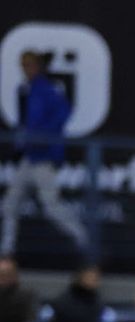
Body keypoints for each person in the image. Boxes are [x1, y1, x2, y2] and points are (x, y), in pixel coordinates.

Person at [1, 51, 89, 257]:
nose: (26, 68)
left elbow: (64, 111)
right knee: (10, 204)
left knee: (51, 205)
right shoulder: (25, 89)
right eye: (23, 65)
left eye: (30, 64)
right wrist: (20, 145)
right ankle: (6, 250)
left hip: (43, 158)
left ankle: (85, 241)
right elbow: (24, 124)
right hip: (28, 157)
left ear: (38, 66)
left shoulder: (46, 89)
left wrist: (43, 137)